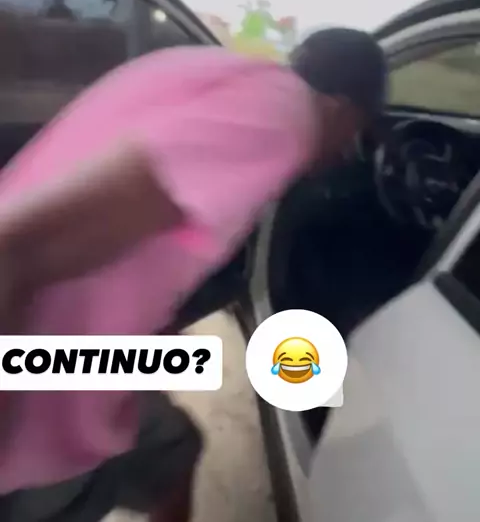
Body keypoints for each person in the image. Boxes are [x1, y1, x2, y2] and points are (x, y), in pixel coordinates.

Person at [0, 28, 386, 522]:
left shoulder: (219, 74)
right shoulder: (281, 122)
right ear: (344, 110)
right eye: (359, 134)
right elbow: (13, 249)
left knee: (173, 455)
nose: (346, 153)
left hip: (78, 365)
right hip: (33, 400)